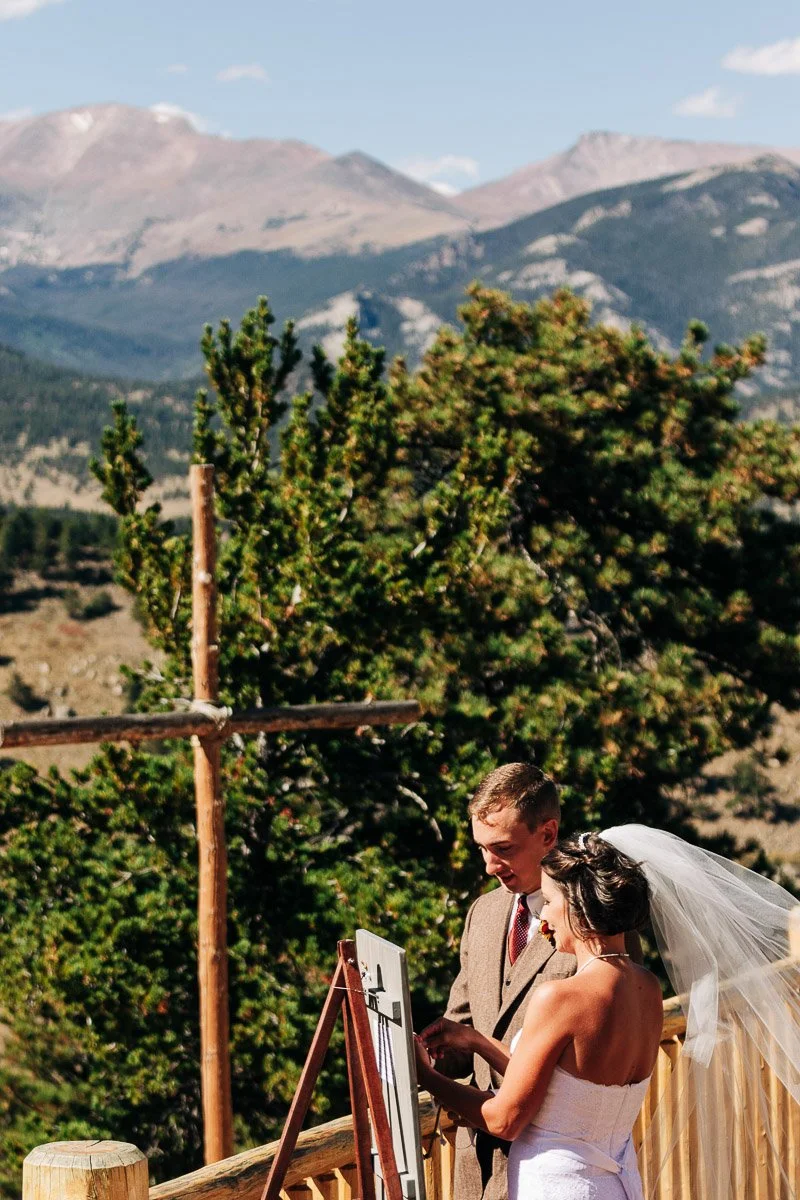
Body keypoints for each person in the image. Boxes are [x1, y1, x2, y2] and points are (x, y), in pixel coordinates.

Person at [418, 827, 800, 1200]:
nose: (544, 918)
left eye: (549, 902)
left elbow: (504, 1119)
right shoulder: (647, 989)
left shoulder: (560, 998)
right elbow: (570, 1088)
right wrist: (476, 1041)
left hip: (554, 1186)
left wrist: (425, 1075)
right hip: (615, 1183)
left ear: (578, 906)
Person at [424, 764, 641, 1200]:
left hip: (560, 1175)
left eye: (502, 848)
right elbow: (458, 1038)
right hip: (476, 1172)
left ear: (548, 834)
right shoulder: (481, 916)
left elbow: (603, 1064)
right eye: (481, 848)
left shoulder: (603, 930)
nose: (489, 866)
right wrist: (421, 1052)